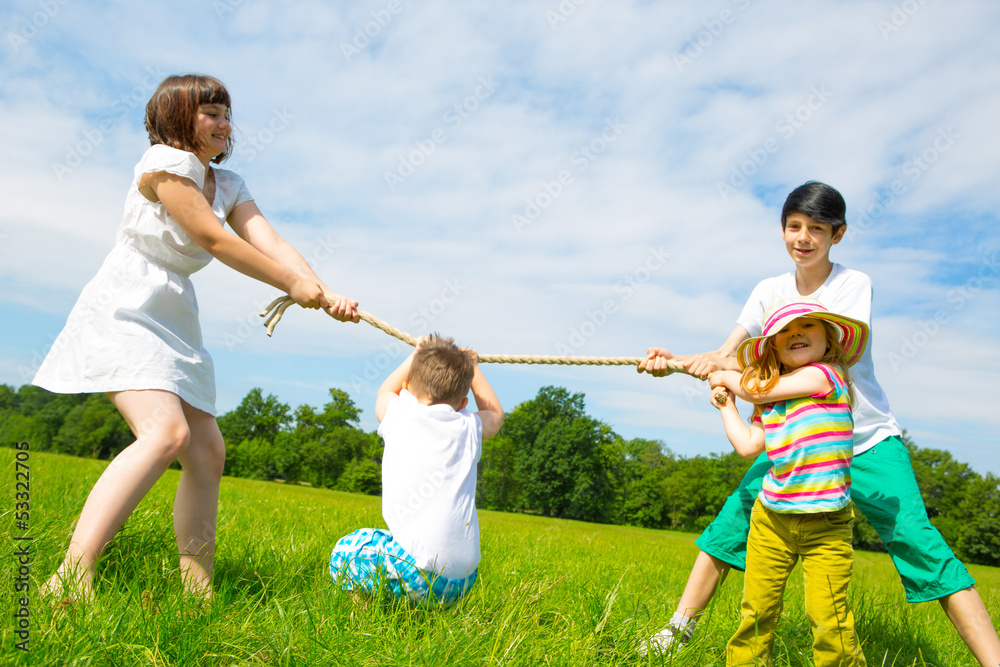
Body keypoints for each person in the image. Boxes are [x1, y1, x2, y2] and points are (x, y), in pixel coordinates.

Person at [639, 181, 1000, 667]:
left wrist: (731, 377)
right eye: (793, 226)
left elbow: (814, 371)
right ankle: (675, 633)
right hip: (792, 440)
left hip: (866, 440)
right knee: (730, 527)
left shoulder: (853, 285)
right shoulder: (768, 291)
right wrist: (675, 361)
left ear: (838, 234)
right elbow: (725, 356)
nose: (803, 237)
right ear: (782, 230)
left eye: (816, 228)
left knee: (917, 541)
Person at [34, 74, 359, 602]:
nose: (223, 122)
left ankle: (197, 590)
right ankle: (69, 576)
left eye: (227, 113)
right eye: (210, 112)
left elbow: (270, 241)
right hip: (129, 301)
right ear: (176, 118)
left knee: (207, 451)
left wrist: (323, 292)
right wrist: (292, 285)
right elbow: (211, 236)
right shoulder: (165, 162)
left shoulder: (229, 184)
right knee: (165, 434)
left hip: (175, 312)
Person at [708, 297, 868, 666]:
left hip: (826, 524)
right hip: (772, 520)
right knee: (757, 610)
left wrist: (722, 375)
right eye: (784, 331)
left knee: (829, 618)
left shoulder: (826, 375)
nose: (795, 333)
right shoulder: (772, 403)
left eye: (807, 326)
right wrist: (727, 406)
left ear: (828, 338)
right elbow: (749, 445)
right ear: (774, 349)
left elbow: (756, 388)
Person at [329, 334, 503, 606]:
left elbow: (385, 392)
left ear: (407, 387)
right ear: (463, 404)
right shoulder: (467, 426)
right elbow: (495, 417)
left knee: (347, 547)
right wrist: (474, 368)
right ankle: (418, 610)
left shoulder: (399, 414)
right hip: (462, 583)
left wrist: (415, 354)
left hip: (419, 576)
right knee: (392, 542)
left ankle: (367, 608)